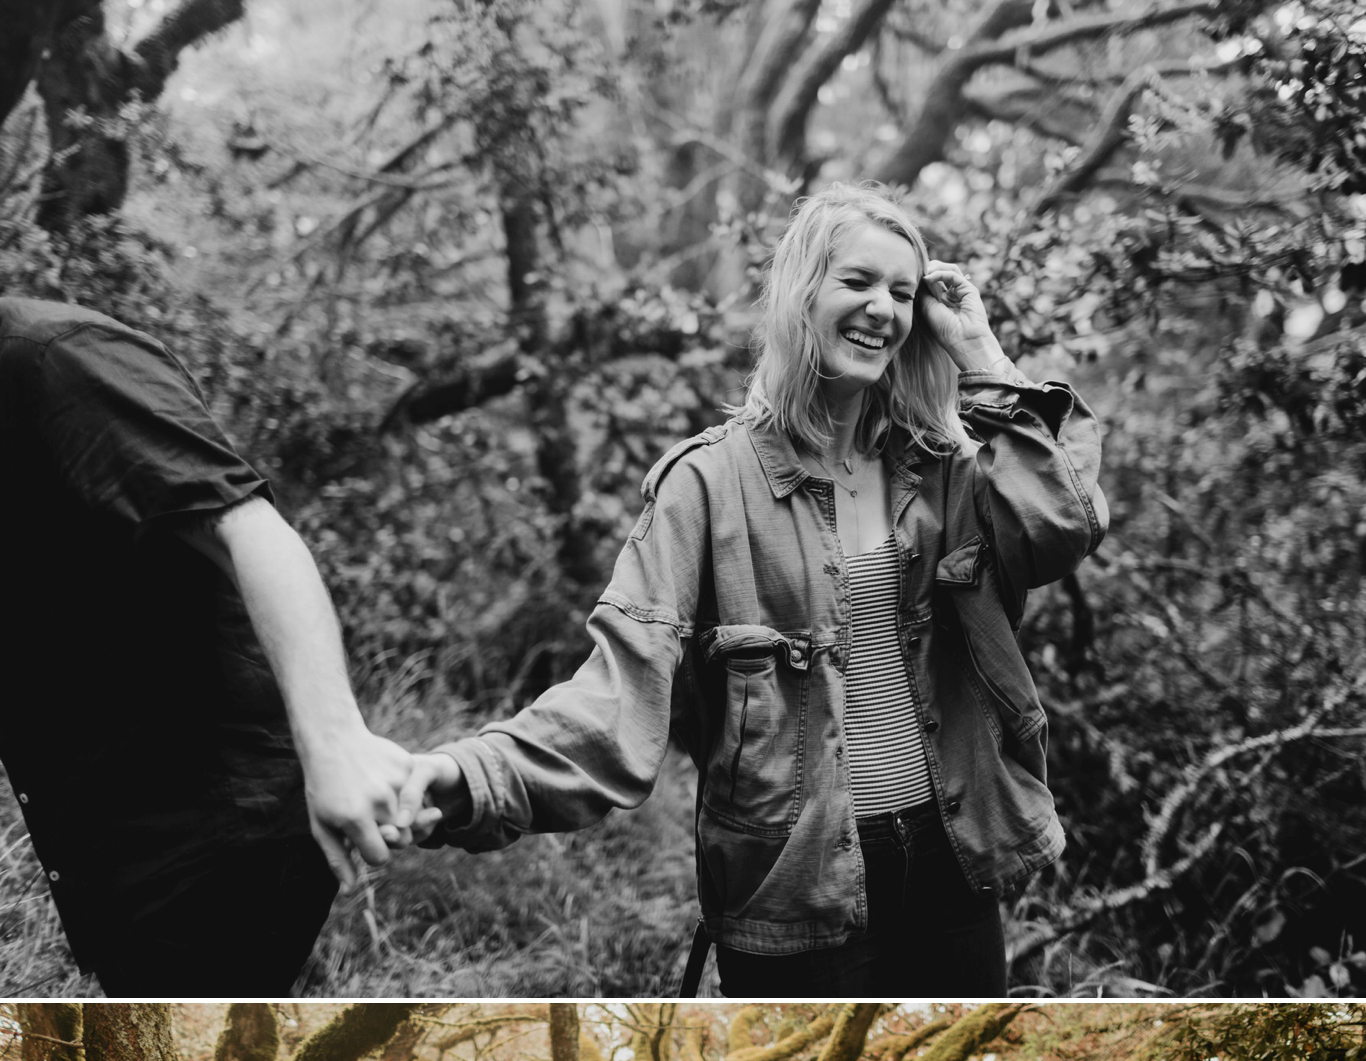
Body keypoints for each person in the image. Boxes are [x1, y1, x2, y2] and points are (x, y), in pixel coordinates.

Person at [395, 186, 1105, 998]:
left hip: (955, 865)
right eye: (858, 282)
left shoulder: (944, 468)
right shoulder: (707, 486)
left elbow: (1063, 523)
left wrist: (978, 351)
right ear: (803, 293)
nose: (883, 309)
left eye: (903, 294)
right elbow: (617, 692)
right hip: (795, 888)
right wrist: (465, 776)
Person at [0, 291, 413, 991]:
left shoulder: (57, 360)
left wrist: (337, 743)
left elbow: (251, 532)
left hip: (218, 830)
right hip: (105, 829)